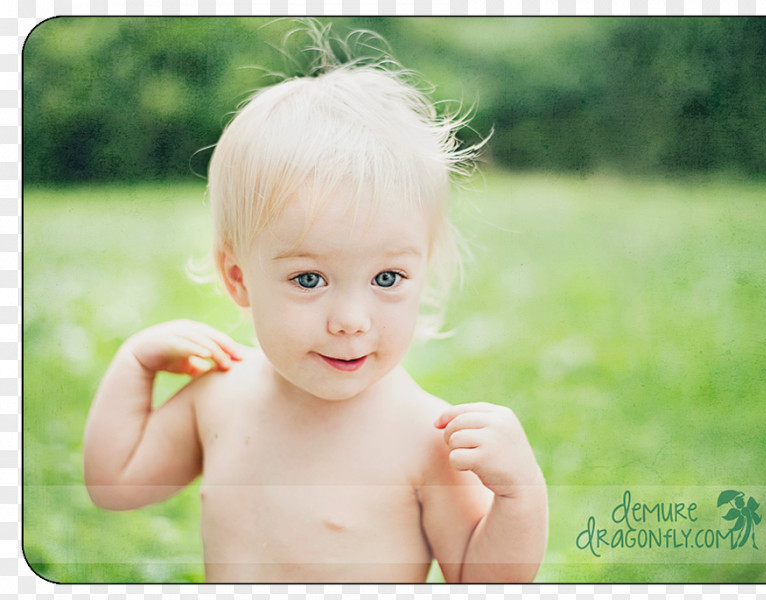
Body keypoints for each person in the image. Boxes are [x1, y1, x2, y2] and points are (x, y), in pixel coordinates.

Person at [83, 25, 548, 583]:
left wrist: (520, 493)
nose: (351, 321)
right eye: (309, 279)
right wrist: (134, 365)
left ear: (424, 270)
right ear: (238, 279)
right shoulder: (217, 396)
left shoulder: (425, 436)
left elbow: (482, 580)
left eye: (387, 276)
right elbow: (115, 485)